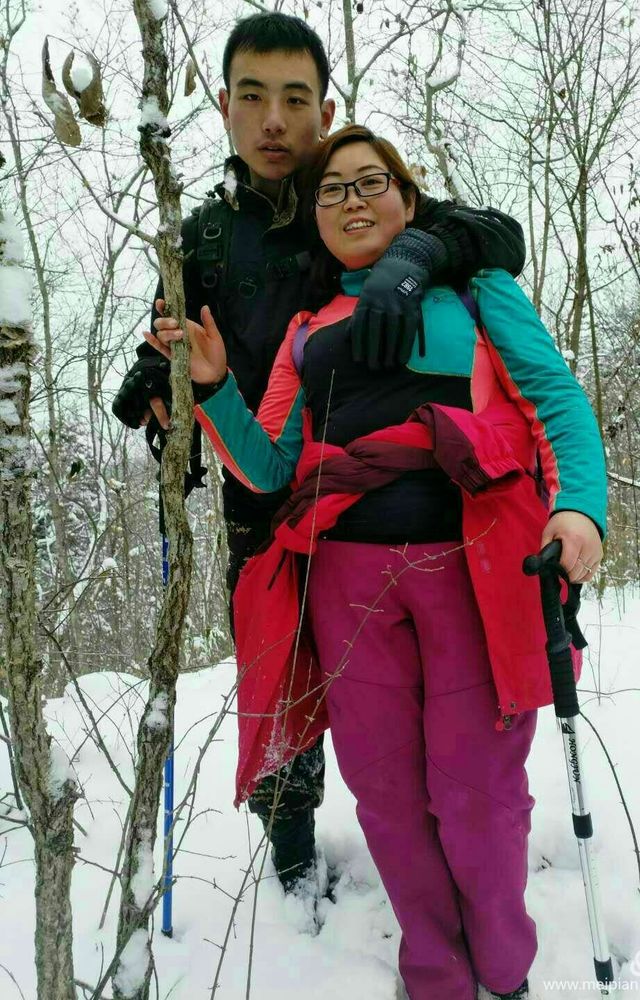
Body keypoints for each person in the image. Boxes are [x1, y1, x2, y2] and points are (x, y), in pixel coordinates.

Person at [146, 124, 607, 1000]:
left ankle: (503, 963)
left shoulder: (475, 290)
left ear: (407, 196)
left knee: (475, 791)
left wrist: (580, 504)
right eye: (333, 189)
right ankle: (433, 971)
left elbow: (554, 396)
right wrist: (213, 388)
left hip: (471, 567)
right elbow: (270, 468)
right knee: (388, 795)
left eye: (371, 182)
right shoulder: (306, 329)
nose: (352, 199)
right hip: (348, 586)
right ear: (317, 219)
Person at [111, 13, 528, 895]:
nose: (274, 120)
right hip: (260, 493)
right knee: (280, 682)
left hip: (372, 501)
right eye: (253, 97)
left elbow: (495, 236)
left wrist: (419, 248)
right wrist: (155, 380)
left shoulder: (351, 197)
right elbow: (172, 332)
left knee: (410, 691)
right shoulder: (200, 237)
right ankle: (294, 850)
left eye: (295, 99)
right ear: (223, 105)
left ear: (325, 110)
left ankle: (443, 847)